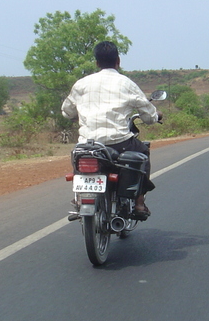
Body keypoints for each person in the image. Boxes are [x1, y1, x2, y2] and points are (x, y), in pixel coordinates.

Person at [61, 41, 162, 218]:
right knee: (143, 153)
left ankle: (79, 198)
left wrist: (78, 116)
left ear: (97, 62)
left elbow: (67, 111)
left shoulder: (81, 84)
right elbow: (148, 115)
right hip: (119, 142)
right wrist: (156, 116)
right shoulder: (127, 84)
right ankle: (139, 203)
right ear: (118, 61)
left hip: (88, 144)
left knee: (79, 156)